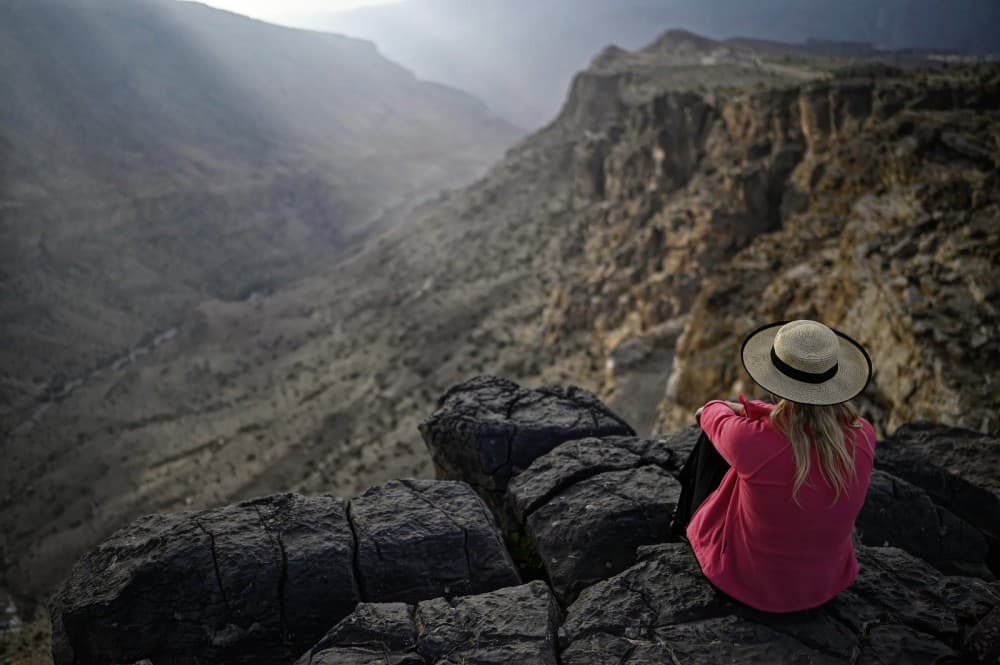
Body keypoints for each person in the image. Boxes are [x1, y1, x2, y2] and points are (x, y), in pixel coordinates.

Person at [670, 319, 876, 613]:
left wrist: (739, 409)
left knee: (713, 443)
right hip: (822, 589)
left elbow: (711, 412)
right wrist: (761, 413)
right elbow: (804, 428)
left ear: (777, 384)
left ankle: (681, 526)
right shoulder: (864, 435)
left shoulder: (750, 442)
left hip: (748, 587)